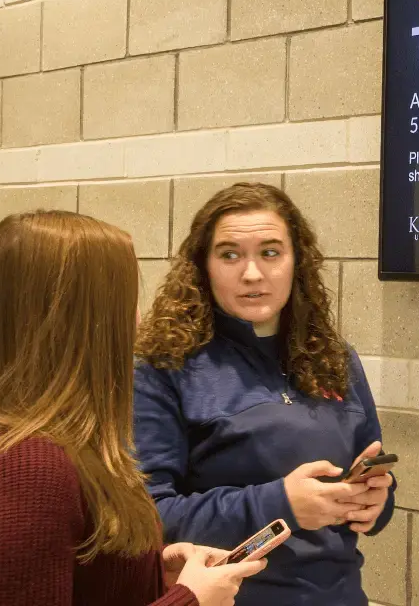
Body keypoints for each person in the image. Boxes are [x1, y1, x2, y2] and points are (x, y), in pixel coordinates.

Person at [0, 211, 265, 606]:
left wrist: (146, 573)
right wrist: (190, 601)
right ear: (80, 322)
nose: (138, 320)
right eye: (125, 303)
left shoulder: (50, 450)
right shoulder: (21, 468)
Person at [133, 183, 396, 606]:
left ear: (297, 263)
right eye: (230, 254)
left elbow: (371, 472)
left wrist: (375, 500)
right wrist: (279, 504)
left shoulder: (334, 357)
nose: (252, 273)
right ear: (203, 266)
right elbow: (147, 517)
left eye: (270, 253)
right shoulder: (165, 366)